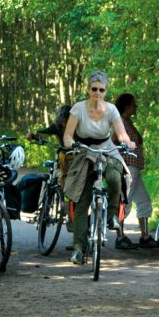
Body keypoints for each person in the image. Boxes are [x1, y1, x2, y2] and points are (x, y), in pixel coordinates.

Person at [63, 72, 136, 264]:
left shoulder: (111, 109)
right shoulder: (78, 109)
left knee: (114, 176)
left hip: (107, 150)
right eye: (94, 89)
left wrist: (128, 142)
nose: (97, 93)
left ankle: (112, 215)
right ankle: (78, 248)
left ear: (106, 90)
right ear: (88, 89)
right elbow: (68, 134)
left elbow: (121, 134)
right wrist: (71, 143)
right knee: (82, 198)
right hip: (85, 150)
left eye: (101, 89)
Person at [113, 93, 159, 249]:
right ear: (127, 106)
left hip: (134, 166)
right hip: (128, 166)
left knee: (144, 201)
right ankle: (120, 237)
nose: (136, 107)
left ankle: (145, 236)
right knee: (125, 200)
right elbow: (114, 139)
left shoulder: (127, 121)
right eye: (134, 104)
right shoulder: (120, 121)